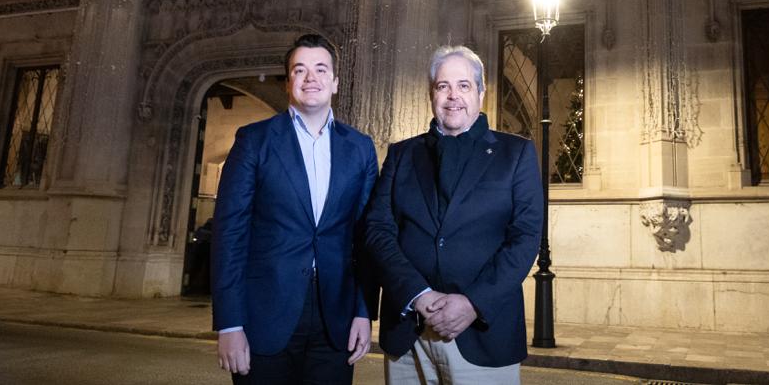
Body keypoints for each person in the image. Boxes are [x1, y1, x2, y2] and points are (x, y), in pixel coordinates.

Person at [365, 44, 542, 384]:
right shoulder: (402, 154)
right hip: (408, 334)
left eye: (463, 85)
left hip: (482, 334)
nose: (452, 96)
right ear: (431, 93)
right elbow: (378, 229)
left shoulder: (515, 154)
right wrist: (418, 294)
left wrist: (472, 303)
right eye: (443, 86)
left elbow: (525, 238)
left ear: (481, 92)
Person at [212, 33, 378, 384]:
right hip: (264, 316)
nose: (310, 78)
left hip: (336, 318)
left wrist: (364, 312)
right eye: (299, 70)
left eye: (320, 69)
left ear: (335, 82)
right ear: (289, 82)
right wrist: (229, 323)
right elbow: (230, 234)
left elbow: (365, 240)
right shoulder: (254, 141)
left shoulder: (360, 148)